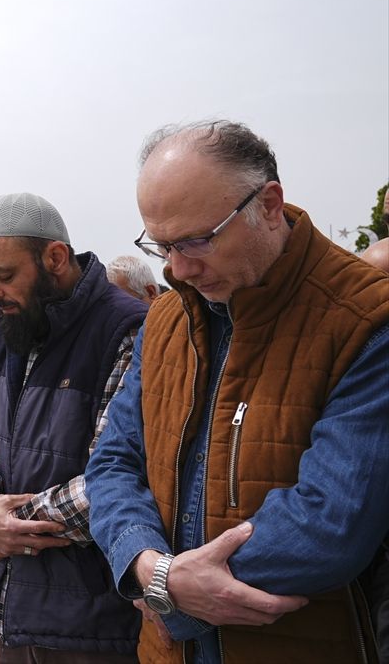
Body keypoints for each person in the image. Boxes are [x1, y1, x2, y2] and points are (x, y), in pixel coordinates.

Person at [85, 121, 389, 664]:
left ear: (269, 205)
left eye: (197, 241)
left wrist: (172, 592)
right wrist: (147, 565)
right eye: (163, 246)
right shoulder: (164, 321)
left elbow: (331, 523)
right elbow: (111, 463)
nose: (178, 269)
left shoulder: (366, 319)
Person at [0, 194, 147, 662]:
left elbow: (117, 475)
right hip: (10, 604)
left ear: (55, 258)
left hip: (92, 619)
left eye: (4, 275)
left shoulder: (127, 329)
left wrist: (7, 524)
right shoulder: (12, 327)